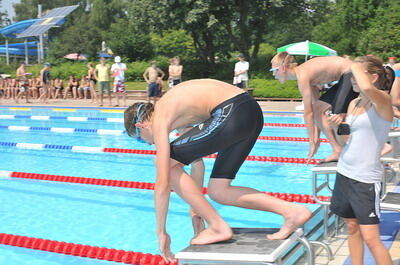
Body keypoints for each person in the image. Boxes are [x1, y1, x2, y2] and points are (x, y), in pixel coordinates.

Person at [124, 79, 311, 262]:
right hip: (250, 112)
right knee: (219, 191)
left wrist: (161, 232)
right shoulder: (178, 113)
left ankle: (218, 226)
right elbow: (197, 164)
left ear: (141, 125)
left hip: (231, 111)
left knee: (163, 163)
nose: (148, 143)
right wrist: (195, 212)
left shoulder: (160, 118)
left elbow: (163, 184)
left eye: (140, 139)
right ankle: (292, 211)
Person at [328, 56, 394, 265]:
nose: (352, 79)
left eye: (355, 75)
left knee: (372, 239)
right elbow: (347, 140)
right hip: (344, 172)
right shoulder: (354, 102)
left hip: (365, 180)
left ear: (373, 77)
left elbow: (365, 86)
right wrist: (337, 126)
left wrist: (352, 64)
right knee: (351, 227)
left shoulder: (383, 100)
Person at [270, 52, 358, 163]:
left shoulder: (302, 75)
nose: (273, 75)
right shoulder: (305, 74)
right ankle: (338, 149)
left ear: (282, 68)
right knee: (320, 109)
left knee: (337, 116)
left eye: (273, 71)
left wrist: (312, 141)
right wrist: (316, 137)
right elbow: (315, 110)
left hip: (352, 73)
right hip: (347, 75)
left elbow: (308, 113)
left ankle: (345, 150)